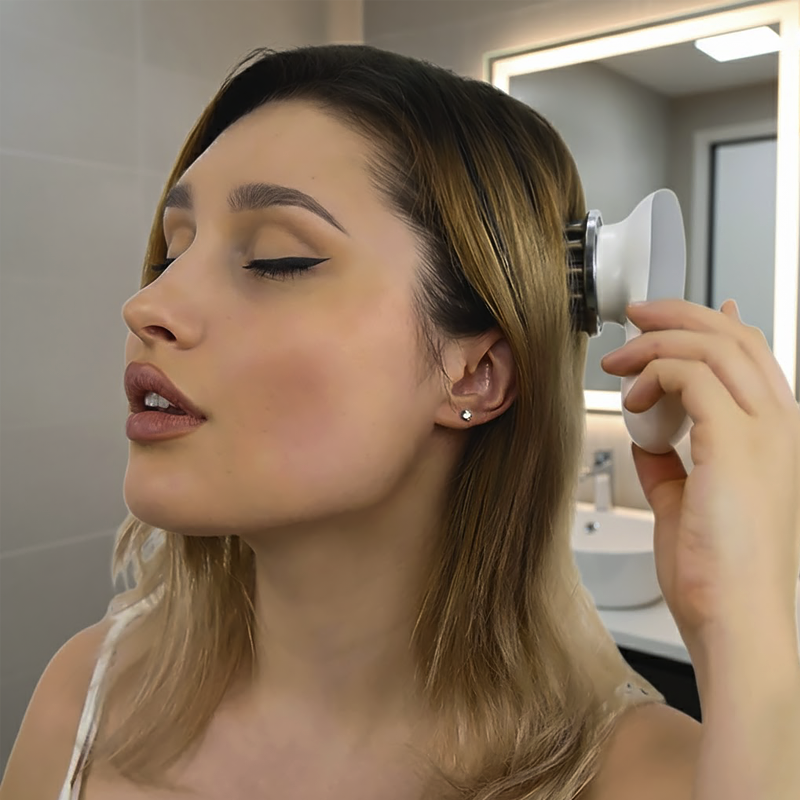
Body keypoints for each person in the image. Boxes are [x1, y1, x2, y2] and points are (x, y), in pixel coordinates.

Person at [2, 44, 798, 800]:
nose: (148, 304)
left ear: (477, 373)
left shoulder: (654, 780)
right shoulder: (85, 701)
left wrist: (744, 622)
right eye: (172, 253)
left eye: (276, 259)